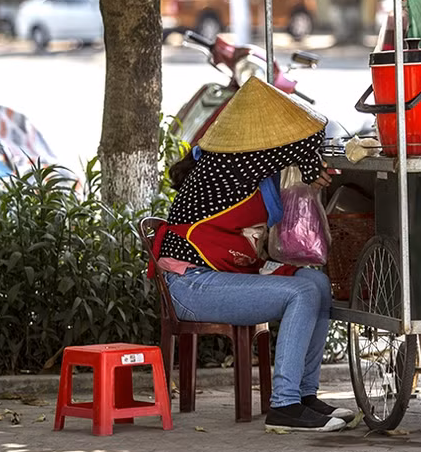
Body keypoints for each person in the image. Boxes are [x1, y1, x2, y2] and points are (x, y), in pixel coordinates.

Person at [149, 77, 353, 432]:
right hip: (191, 285)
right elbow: (305, 140)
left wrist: (308, 165)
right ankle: (285, 405)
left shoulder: (252, 168)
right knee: (301, 292)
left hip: (221, 277)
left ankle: (304, 396)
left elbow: (309, 139)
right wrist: (306, 160)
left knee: (316, 282)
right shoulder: (220, 167)